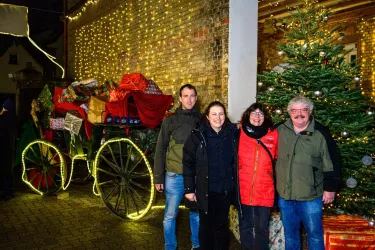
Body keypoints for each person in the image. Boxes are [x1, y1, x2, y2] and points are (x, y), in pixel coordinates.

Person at [276, 96, 340, 250]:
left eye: (303, 109)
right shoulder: (279, 130)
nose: (299, 113)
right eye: (294, 110)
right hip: (285, 196)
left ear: (310, 111)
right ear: (289, 112)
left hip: (311, 196)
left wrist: (330, 188)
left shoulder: (320, 134)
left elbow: (332, 162)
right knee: (290, 234)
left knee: (315, 234)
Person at [183, 101, 238, 250]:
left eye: (221, 114)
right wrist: (189, 189)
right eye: (214, 114)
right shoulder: (198, 135)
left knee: (222, 226)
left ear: (225, 116)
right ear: (207, 116)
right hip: (205, 189)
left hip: (225, 189)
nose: (218, 117)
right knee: (206, 225)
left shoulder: (233, 134)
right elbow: (188, 162)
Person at [154, 84, 201, 250]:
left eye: (192, 96)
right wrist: (158, 177)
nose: (189, 99)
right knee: (170, 215)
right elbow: (160, 148)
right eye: (185, 96)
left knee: (196, 214)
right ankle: (170, 247)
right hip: (175, 176)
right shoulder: (170, 120)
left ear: (196, 98)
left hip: (195, 176)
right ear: (180, 99)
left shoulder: (202, 120)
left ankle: (196, 245)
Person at [237, 103, 278, 250]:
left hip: (265, 189)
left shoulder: (273, 134)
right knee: (245, 225)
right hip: (243, 188)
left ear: (265, 117)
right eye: (254, 113)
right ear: (248, 115)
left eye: (261, 113)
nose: (257, 116)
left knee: (262, 227)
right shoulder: (239, 132)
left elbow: (280, 159)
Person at [0, 98, 16, 201]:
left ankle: (5, 191)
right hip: (8, 147)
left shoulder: (3, 118)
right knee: (7, 170)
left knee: (4, 169)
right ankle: (8, 191)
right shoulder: (12, 118)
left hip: (3, 147)